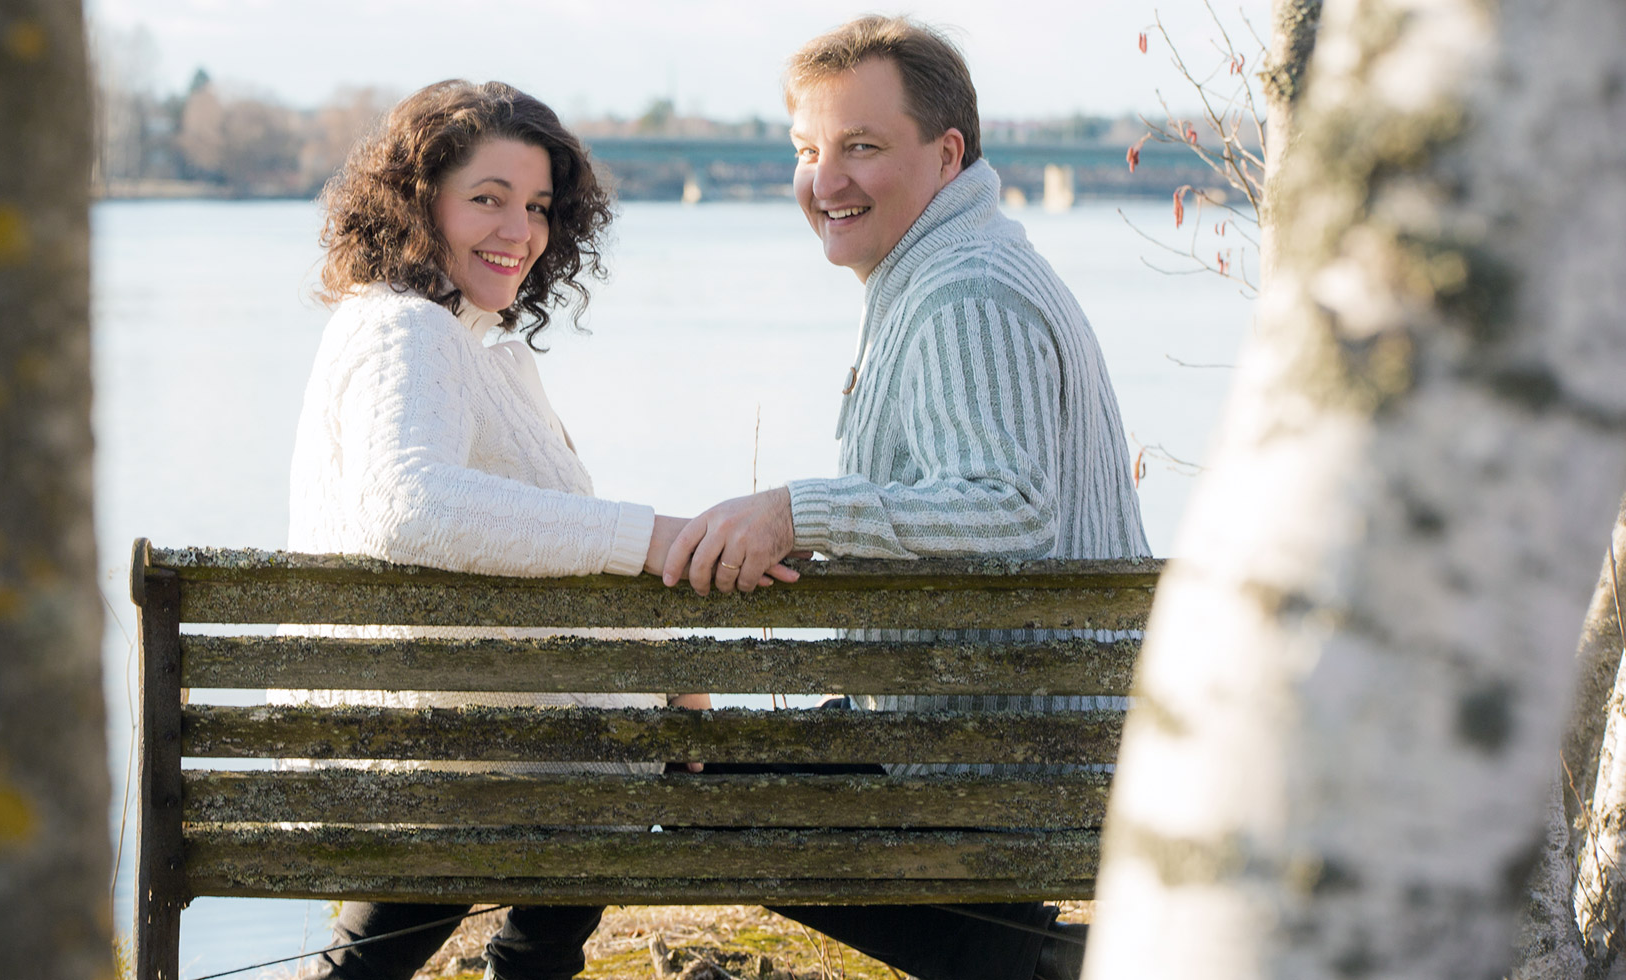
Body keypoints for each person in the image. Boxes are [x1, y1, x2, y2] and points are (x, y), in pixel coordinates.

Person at [659, 16, 1152, 980]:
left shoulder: (965, 294)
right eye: (808, 150)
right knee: (715, 772)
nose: (825, 181)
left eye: (861, 147)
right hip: (1005, 733)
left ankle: (1063, 966)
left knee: (692, 788)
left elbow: (1010, 507)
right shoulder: (950, 266)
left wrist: (796, 514)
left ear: (947, 154)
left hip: (998, 761)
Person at [281, 79, 760, 980]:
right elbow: (406, 505)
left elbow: (515, 557)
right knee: (689, 772)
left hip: (456, 741)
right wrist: (652, 541)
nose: (520, 231)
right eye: (488, 199)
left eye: (537, 206)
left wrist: (667, 667)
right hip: (462, 757)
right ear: (419, 203)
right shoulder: (410, 333)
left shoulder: (435, 336)